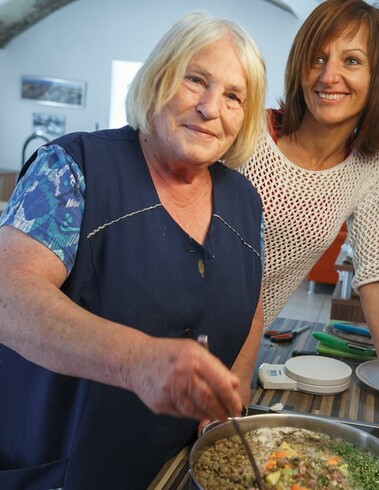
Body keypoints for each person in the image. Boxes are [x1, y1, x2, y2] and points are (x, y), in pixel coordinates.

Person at [0, 12, 266, 489]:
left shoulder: (244, 200)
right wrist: (136, 359)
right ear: (159, 77)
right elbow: (8, 294)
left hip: (173, 470)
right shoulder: (73, 168)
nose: (211, 107)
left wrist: (234, 393)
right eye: (196, 80)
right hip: (64, 468)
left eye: (233, 96)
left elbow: (252, 310)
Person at [239, 0, 379, 387]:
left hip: (240, 352)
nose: (328, 76)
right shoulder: (250, 131)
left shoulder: (368, 165)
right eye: (317, 58)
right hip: (168, 333)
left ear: (378, 78)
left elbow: (378, 274)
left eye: (351, 61)